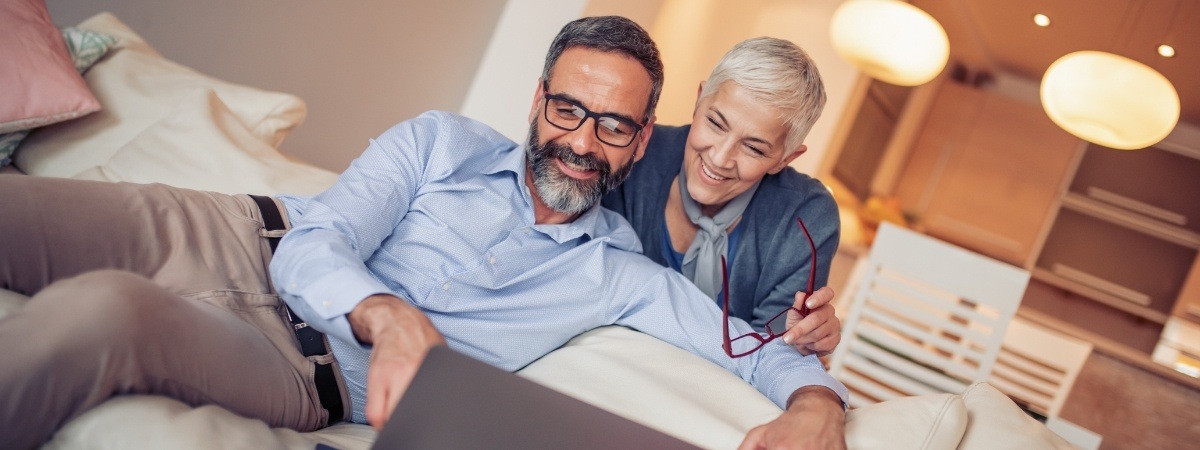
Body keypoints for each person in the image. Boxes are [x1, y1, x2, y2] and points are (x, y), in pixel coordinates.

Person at [0, 16, 847, 449]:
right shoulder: (440, 140)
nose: (584, 143)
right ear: (537, 98)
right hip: (230, 235)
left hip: (301, 367)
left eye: (615, 127)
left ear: (642, 134)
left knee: (103, 314)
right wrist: (393, 314)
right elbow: (314, 241)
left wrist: (815, 405)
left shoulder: (620, 275)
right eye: (568, 110)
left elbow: (759, 350)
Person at [602, 37, 841, 356]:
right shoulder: (633, 153)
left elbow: (767, 354)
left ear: (785, 159)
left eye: (754, 148)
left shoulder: (806, 216)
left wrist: (797, 342)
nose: (720, 158)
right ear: (699, 99)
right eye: (715, 123)